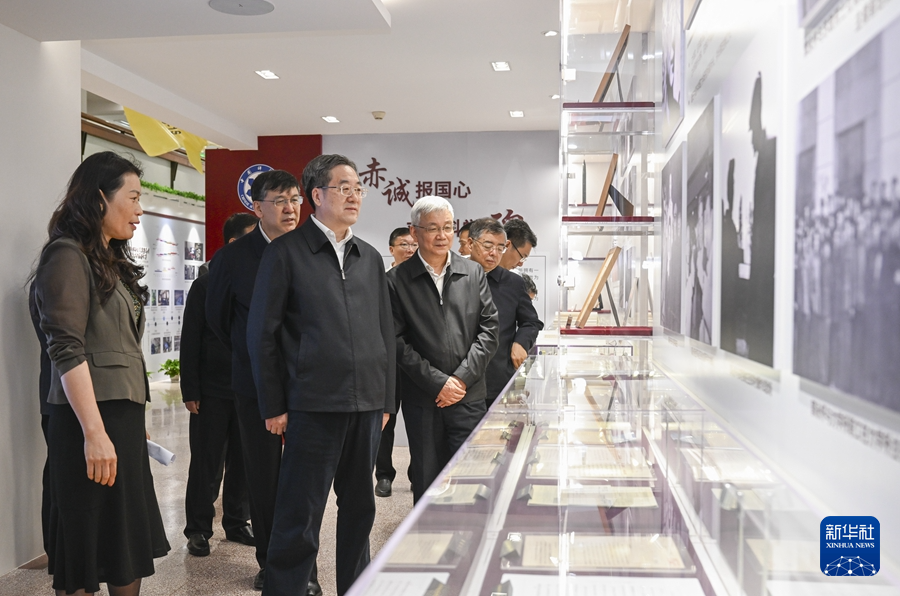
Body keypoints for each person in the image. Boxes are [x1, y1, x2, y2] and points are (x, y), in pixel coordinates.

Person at [247, 154, 396, 596]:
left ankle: (356, 587)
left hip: (366, 405)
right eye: (344, 188)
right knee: (300, 515)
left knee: (360, 512)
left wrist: (386, 399)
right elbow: (262, 334)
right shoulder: (286, 252)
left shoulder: (369, 257)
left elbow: (385, 333)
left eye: (358, 189)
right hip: (311, 404)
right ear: (317, 194)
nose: (354, 196)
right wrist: (273, 405)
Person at [29, 151, 170, 596]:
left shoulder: (109, 260)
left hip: (118, 419)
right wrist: (94, 432)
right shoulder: (66, 256)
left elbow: (119, 347)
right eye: (133, 197)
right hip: (85, 421)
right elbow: (66, 348)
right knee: (85, 541)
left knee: (122, 540)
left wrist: (131, 419)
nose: (140, 209)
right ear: (99, 199)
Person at [206, 170, 320, 594]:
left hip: (307, 383)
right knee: (265, 476)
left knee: (305, 479)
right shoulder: (233, 258)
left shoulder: (312, 250)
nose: (291, 208)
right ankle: (272, 563)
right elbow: (219, 321)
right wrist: (254, 356)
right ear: (257, 208)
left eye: (295, 199)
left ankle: (305, 567)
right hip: (254, 384)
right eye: (280, 201)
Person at [388, 196, 499, 504]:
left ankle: (468, 535)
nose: (442, 235)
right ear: (414, 231)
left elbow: (489, 330)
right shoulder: (396, 281)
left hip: (468, 396)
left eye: (448, 227)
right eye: (432, 228)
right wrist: (439, 383)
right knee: (428, 482)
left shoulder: (473, 272)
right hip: (424, 399)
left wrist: (461, 379)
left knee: (470, 480)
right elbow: (396, 341)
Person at [181, 213, 259, 558]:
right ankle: (198, 528)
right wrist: (190, 390)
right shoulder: (206, 284)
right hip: (211, 390)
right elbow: (191, 339)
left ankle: (237, 522)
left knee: (244, 460)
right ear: (233, 244)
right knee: (207, 462)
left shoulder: (260, 281)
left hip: (248, 388)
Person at [466, 218, 543, 406]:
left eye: (499, 248)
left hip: (497, 379)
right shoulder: (455, 276)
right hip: (461, 380)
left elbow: (531, 322)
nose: (493, 253)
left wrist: (520, 342)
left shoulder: (514, 283)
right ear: (471, 244)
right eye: (488, 246)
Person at [375, 227, 417, 498]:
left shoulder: (422, 280)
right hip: (388, 363)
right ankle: (383, 475)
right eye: (404, 245)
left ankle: (417, 474)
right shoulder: (381, 281)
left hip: (416, 364)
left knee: (417, 423)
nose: (410, 250)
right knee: (385, 422)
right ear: (391, 249)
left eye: (414, 245)